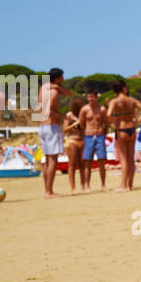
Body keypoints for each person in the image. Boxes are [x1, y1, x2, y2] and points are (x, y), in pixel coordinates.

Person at [107, 79, 141, 191]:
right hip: (132, 129)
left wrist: (114, 123)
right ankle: (130, 185)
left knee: (123, 159)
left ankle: (123, 185)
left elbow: (108, 114)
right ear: (123, 88)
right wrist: (137, 121)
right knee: (131, 159)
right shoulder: (132, 100)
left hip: (121, 129)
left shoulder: (114, 101)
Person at [35, 68, 72, 197]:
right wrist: (62, 116)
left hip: (43, 127)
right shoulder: (54, 92)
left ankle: (47, 189)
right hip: (52, 127)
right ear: (57, 78)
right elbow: (49, 109)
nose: (64, 79)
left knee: (47, 160)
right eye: (62, 77)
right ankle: (49, 191)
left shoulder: (43, 88)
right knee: (53, 161)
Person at [78, 89, 109, 190]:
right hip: (89, 136)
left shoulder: (102, 109)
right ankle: (87, 185)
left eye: (92, 97)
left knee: (101, 161)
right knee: (87, 162)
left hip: (100, 135)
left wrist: (104, 132)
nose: (90, 99)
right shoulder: (84, 109)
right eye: (88, 97)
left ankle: (103, 184)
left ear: (96, 97)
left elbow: (107, 122)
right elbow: (81, 123)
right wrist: (86, 131)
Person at [62, 98, 85, 192]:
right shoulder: (69, 115)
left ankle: (83, 186)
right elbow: (65, 129)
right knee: (72, 164)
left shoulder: (83, 115)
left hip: (82, 140)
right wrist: (74, 124)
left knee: (82, 165)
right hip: (72, 140)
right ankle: (73, 187)